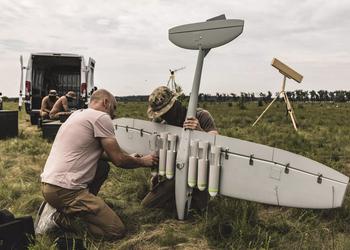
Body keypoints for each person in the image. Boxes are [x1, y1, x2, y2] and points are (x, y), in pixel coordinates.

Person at [37, 89, 158, 240]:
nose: (114, 115)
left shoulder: (78, 114)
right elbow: (118, 160)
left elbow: (96, 152)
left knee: (102, 167)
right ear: (105, 103)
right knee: (116, 230)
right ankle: (61, 220)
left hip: (49, 185)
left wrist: (128, 157)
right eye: (113, 108)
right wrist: (142, 161)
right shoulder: (101, 117)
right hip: (66, 190)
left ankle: (70, 210)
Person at [141, 86, 218, 210]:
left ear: (176, 104)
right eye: (162, 114)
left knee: (199, 211)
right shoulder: (164, 126)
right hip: (176, 173)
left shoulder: (201, 116)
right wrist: (156, 174)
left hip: (200, 172)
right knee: (147, 205)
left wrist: (199, 131)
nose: (165, 116)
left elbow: (216, 141)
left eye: (167, 112)